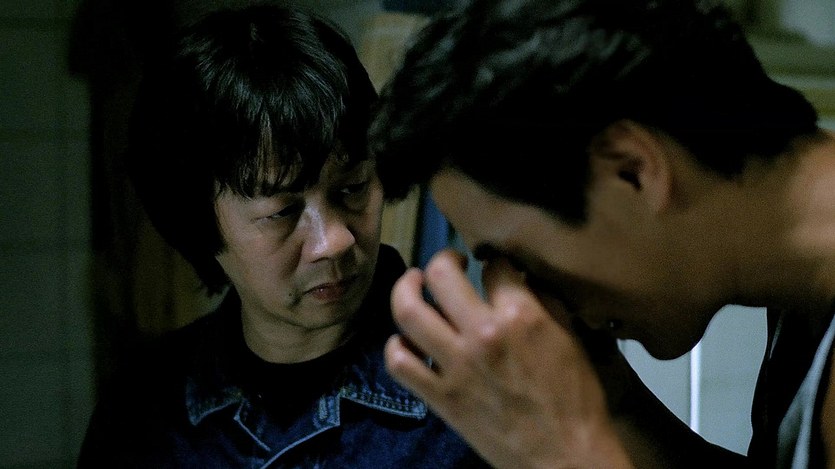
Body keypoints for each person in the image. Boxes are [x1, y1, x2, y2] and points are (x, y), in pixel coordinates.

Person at [368, 0, 835, 467]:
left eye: (523, 261)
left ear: (631, 169)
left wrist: (565, 452)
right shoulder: (800, 290)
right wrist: (617, 407)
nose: (537, 298)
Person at [77, 3, 489, 467]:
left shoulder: (471, 390)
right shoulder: (140, 413)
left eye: (353, 188)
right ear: (199, 225)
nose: (335, 241)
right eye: (283, 212)